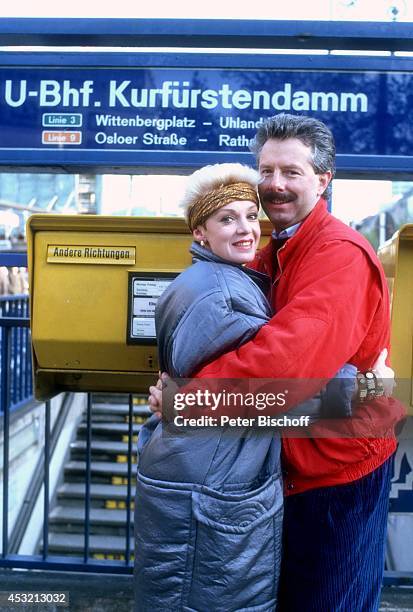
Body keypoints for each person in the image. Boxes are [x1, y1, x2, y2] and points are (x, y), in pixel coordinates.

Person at [148, 114, 403, 612]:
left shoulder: (338, 255)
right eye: (265, 171)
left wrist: (187, 400)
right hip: (298, 461)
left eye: (291, 171)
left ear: (324, 179)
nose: (275, 185)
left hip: (334, 472)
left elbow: (284, 366)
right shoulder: (278, 251)